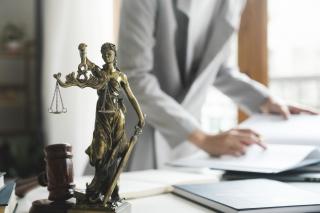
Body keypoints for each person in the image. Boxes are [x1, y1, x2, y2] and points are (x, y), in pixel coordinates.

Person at [117, 0, 316, 171]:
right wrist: (202, 138)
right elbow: (134, 77)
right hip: (135, 138)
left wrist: (265, 100)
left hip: (187, 146)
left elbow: (218, 68)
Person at [55, 43, 145, 203]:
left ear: (114, 55)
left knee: (114, 153)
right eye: (104, 54)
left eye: (109, 53)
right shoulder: (99, 73)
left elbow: (131, 97)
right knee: (100, 152)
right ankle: (97, 188)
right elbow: (86, 64)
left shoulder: (121, 76)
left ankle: (111, 190)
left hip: (118, 117)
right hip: (102, 117)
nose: (107, 56)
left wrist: (141, 117)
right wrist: (82, 53)